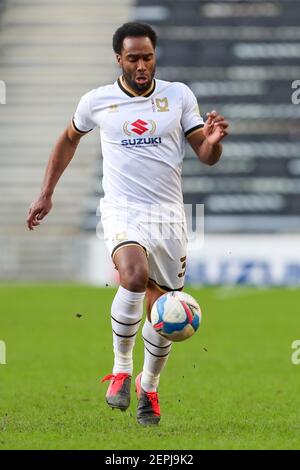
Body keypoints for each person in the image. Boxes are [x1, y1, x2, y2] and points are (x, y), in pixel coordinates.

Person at [27, 22, 229, 426]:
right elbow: (68, 138)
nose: (141, 65)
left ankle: (148, 389)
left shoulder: (178, 95)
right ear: (118, 58)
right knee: (133, 276)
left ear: (155, 56)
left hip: (169, 217)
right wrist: (47, 191)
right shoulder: (97, 101)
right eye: (133, 57)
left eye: (148, 57)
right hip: (123, 210)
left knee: (164, 310)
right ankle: (121, 369)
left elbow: (205, 155)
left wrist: (213, 140)